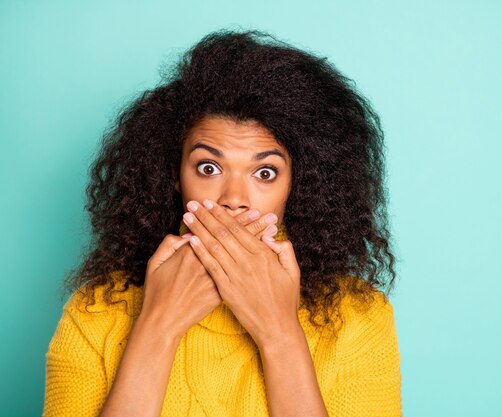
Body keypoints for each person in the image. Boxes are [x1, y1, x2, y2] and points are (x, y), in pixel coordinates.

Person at [43, 29, 401, 417]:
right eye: (209, 167)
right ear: (175, 175)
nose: (233, 198)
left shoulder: (358, 319)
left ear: (299, 184)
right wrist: (157, 327)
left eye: (264, 173)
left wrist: (279, 333)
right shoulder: (95, 313)